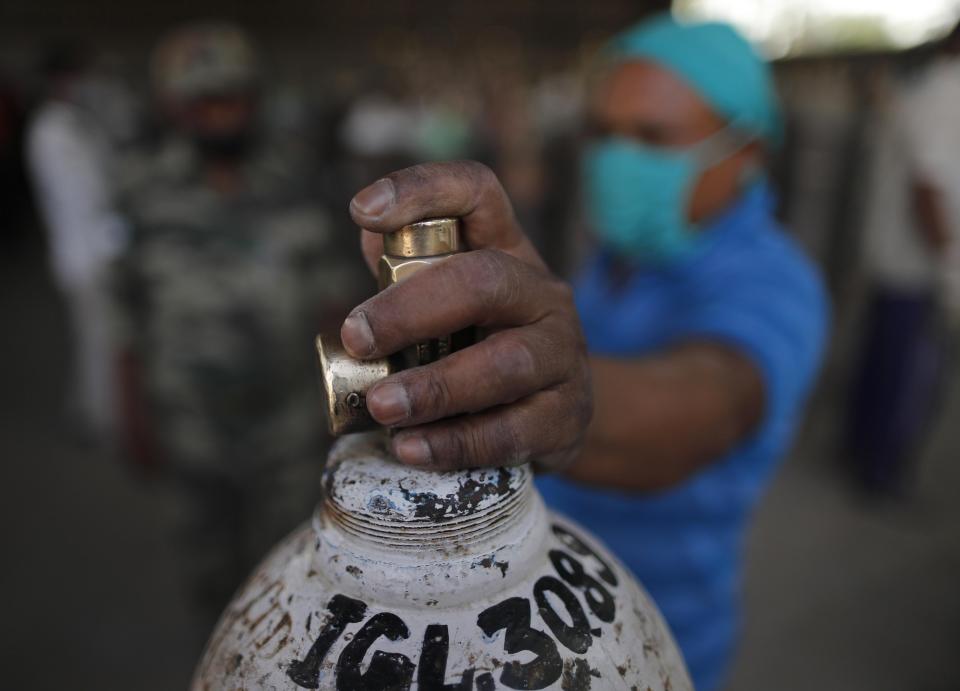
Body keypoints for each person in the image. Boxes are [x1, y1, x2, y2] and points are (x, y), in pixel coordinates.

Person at [338, 15, 828, 691]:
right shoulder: (617, 259)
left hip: (652, 637)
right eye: (605, 133)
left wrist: (567, 394)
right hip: (541, 616)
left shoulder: (776, 280)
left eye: (653, 138)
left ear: (745, 150)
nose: (620, 158)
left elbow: (713, 401)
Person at [115, 23, 363, 629]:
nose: (220, 115)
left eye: (232, 97)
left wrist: (353, 421)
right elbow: (127, 313)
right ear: (176, 107)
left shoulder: (300, 184)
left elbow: (341, 314)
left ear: (255, 99)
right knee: (211, 586)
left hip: (288, 426)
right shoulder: (142, 190)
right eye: (204, 101)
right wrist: (131, 412)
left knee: (297, 582)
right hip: (190, 425)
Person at [848, 22, 960, 495]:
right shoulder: (945, 95)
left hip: (899, 259)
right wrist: (950, 264)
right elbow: (927, 188)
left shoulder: (931, 90)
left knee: (885, 364)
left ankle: (864, 455)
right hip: (913, 265)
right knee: (903, 375)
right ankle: (880, 472)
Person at [25, 43, 131, 442]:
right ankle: (99, 419)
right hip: (86, 252)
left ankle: (91, 409)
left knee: (95, 339)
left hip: (90, 246)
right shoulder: (53, 130)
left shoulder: (70, 122)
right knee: (99, 340)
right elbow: (85, 195)